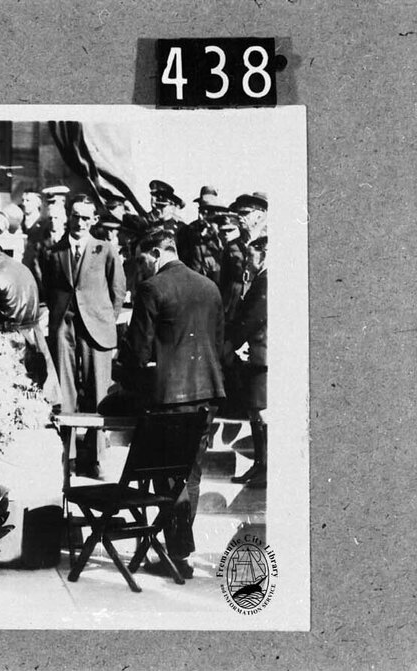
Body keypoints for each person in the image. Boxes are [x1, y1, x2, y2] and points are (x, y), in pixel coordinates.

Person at [119, 229, 226, 579]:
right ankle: (178, 552)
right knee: (191, 477)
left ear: (154, 252)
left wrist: (126, 375)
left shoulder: (152, 289)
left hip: (169, 398)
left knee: (166, 479)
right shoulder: (209, 287)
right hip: (207, 394)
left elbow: (138, 353)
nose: (141, 267)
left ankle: (178, 551)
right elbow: (219, 341)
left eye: (141, 260)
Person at [40, 197, 125, 477]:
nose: (80, 223)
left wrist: (105, 320)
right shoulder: (53, 251)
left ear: (94, 221)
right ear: (69, 216)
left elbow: (118, 290)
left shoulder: (105, 250)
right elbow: (49, 290)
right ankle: (68, 456)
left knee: (99, 390)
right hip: (64, 327)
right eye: (76, 216)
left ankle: (97, 456)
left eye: (87, 218)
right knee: (65, 390)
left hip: (96, 328)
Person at [0, 241, 60, 406]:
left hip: (12, 343)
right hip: (33, 337)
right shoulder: (21, 267)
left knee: (9, 403)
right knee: (35, 399)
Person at [224, 236, 268, 488]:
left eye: (251, 255)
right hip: (255, 355)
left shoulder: (266, 280)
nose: (247, 261)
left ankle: (264, 466)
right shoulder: (259, 278)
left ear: (265, 253)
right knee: (255, 411)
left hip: (260, 356)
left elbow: (253, 318)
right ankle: (259, 465)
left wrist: (235, 342)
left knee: (261, 412)